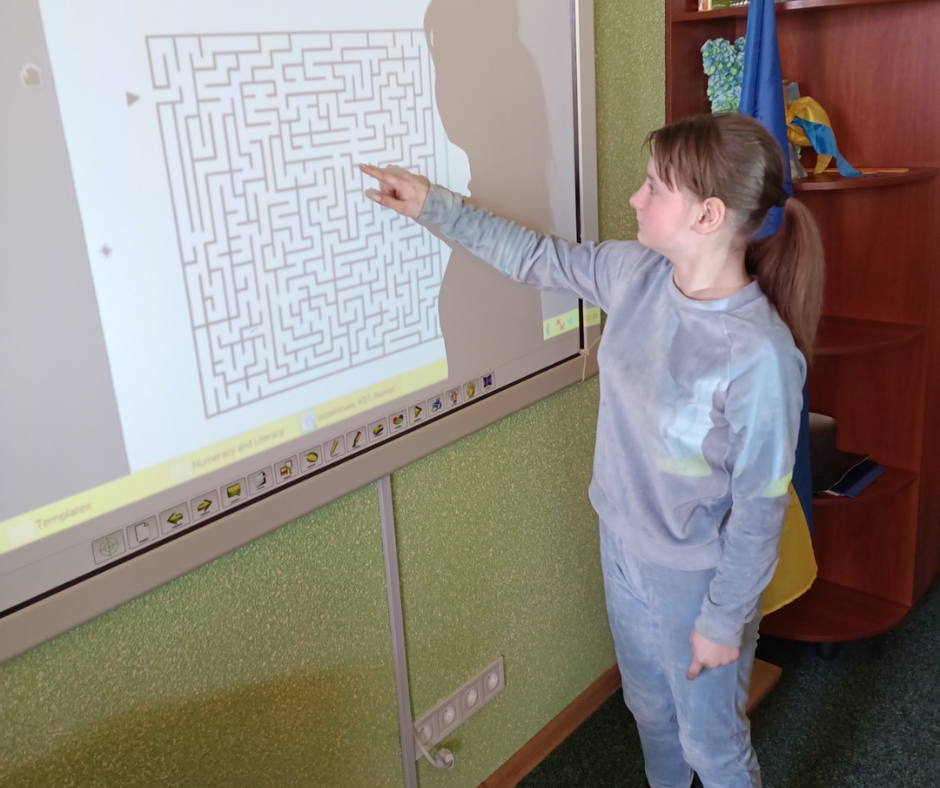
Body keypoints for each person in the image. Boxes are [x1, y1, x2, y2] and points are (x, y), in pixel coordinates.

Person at [360, 112, 824, 788]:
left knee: (711, 744)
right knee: (650, 712)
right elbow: (535, 256)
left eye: (654, 187)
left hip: (696, 577)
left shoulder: (760, 356)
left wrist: (724, 620)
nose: (636, 197)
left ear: (708, 216)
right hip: (621, 548)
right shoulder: (635, 274)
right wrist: (434, 205)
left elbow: (760, 509)